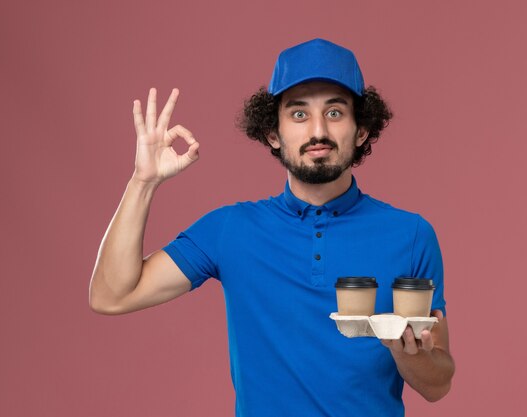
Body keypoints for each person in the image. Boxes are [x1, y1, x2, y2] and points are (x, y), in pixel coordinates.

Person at [90, 38, 455, 417]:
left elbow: (439, 383)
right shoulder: (230, 230)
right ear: (273, 134)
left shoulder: (411, 235)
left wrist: (407, 354)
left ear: (361, 130)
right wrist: (142, 182)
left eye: (334, 113)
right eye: (299, 114)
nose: (318, 131)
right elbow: (111, 295)